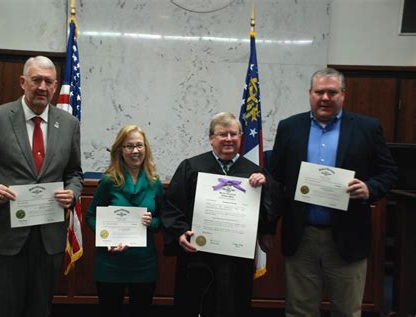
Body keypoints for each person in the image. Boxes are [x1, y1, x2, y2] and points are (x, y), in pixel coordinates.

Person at [269, 68, 397, 317]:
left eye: (332, 92)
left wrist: (370, 188)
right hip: (301, 236)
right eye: (319, 92)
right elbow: (276, 180)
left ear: (343, 95)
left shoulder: (367, 128)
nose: (325, 98)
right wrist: (267, 227)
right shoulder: (289, 127)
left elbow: (389, 172)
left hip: (349, 236)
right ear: (310, 94)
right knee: (299, 311)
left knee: (347, 311)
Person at [0, 56, 83, 317]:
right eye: (36, 80)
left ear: (55, 87)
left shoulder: (69, 124)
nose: (42, 87)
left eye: (49, 82)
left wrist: (73, 192)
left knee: (39, 309)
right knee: (3, 309)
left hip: (48, 239)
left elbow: (74, 172)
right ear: (23, 82)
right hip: (6, 237)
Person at [161, 112, 276, 317]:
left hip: (236, 260)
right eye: (222, 134)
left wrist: (266, 187)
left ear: (241, 137)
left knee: (234, 306)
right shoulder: (191, 167)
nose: (229, 139)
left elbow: (271, 210)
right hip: (198, 255)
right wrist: (180, 233)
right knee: (195, 304)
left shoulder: (255, 172)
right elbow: (171, 206)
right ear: (211, 138)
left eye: (234, 134)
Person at [86, 125, 163, 317]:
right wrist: (107, 237)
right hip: (111, 262)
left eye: (139, 145)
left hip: (144, 263)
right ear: (120, 150)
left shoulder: (155, 183)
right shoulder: (108, 181)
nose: (135, 151)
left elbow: (162, 219)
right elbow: (90, 216)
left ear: (146, 148)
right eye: (129, 146)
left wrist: (151, 222)